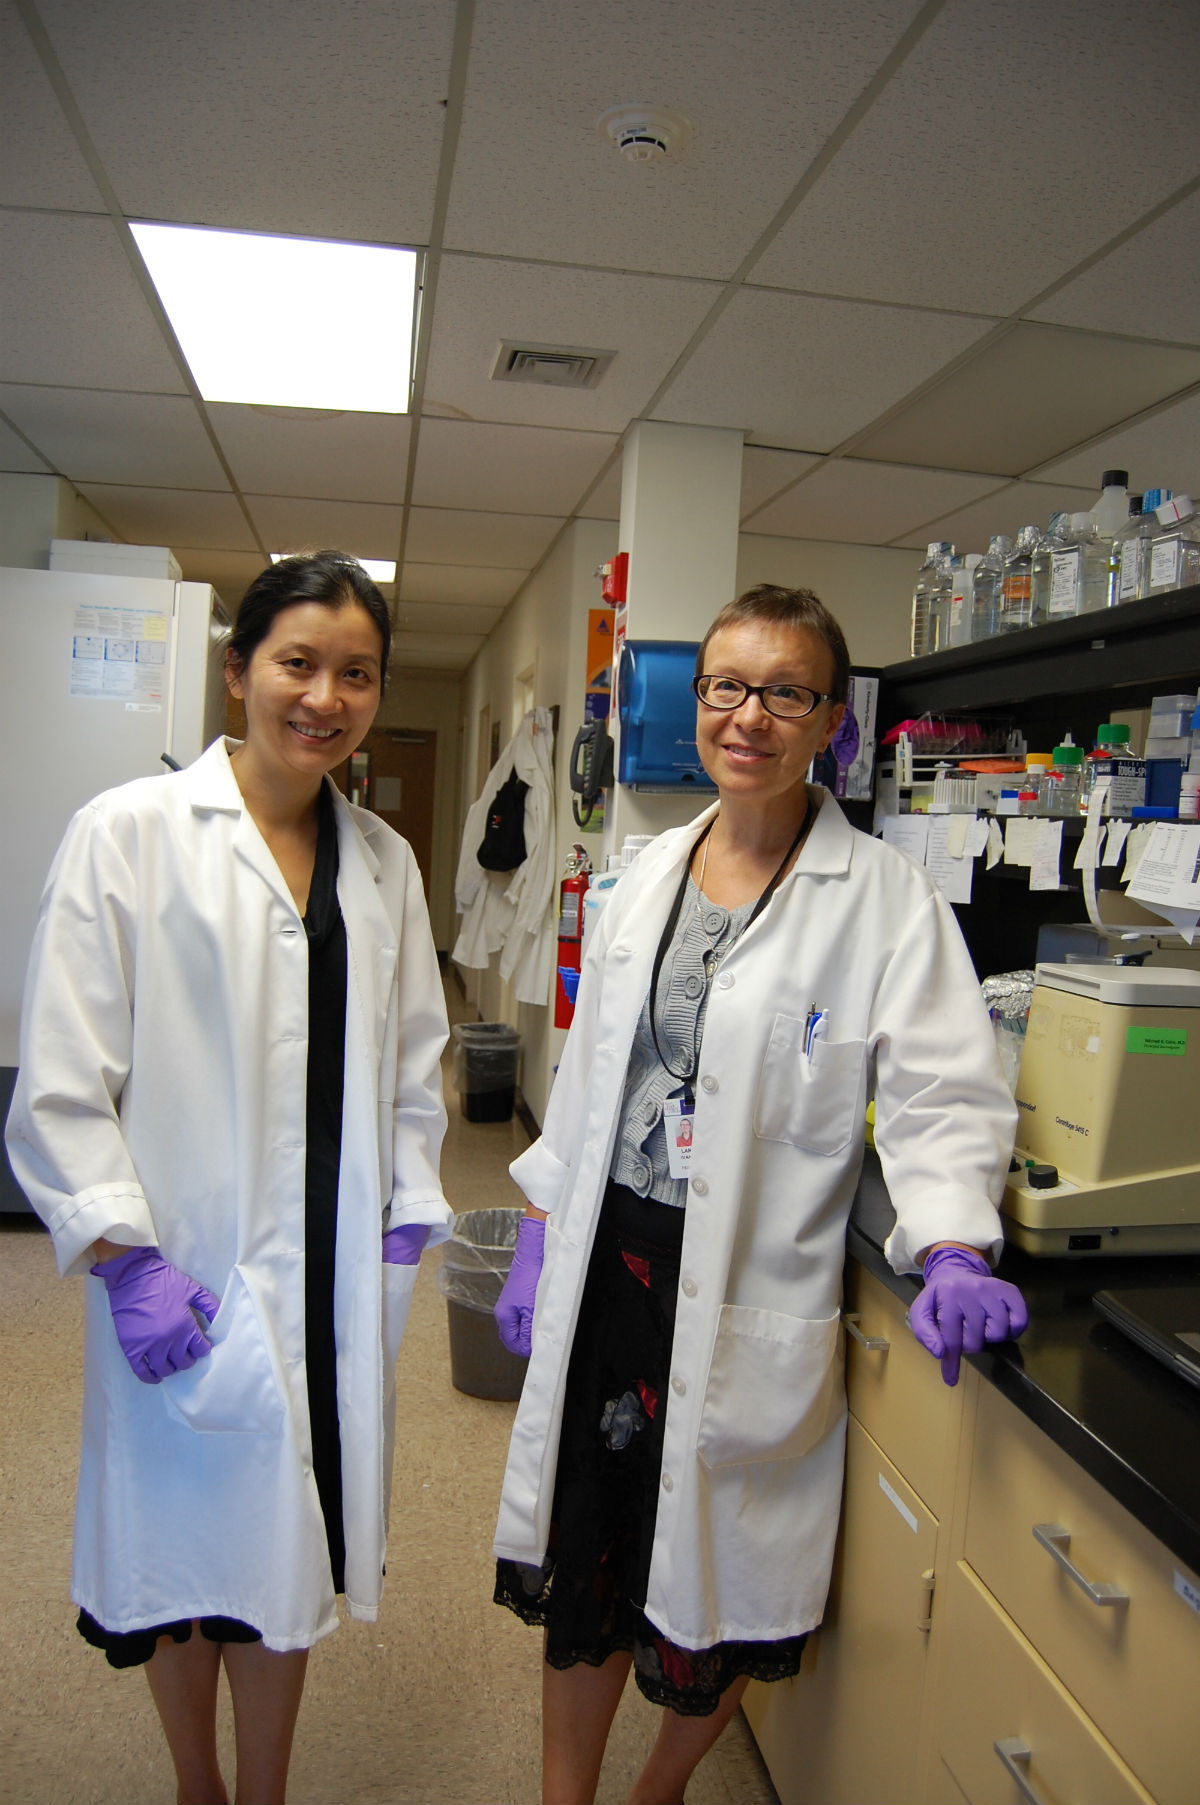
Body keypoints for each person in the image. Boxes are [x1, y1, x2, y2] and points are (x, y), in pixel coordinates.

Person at [491, 584, 1027, 1805]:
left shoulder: (885, 900)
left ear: (831, 721)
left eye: (786, 691)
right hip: (612, 1256)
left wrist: (949, 1242)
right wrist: (537, 1227)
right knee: (589, 1547)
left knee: (731, 1571)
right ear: (699, 707)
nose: (749, 715)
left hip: (743, 1280)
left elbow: (946, 1087)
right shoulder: (642, 882)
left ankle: (658, 1786)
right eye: (727, 686)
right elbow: (588, 1078)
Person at [6, 552, 452, 1805]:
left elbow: (417, 1065)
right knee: (190, 1543)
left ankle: (263, 1791)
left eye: (354, 673)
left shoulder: (387, 864)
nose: (325, 696)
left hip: (331, 1265)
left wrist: (409, 1207)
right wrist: (123, 1252)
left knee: (288, 1551)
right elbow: (59, 1077)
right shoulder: (128, 835)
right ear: (238, 669)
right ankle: (198, 1783)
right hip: (186, 1261)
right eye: (297, 663)